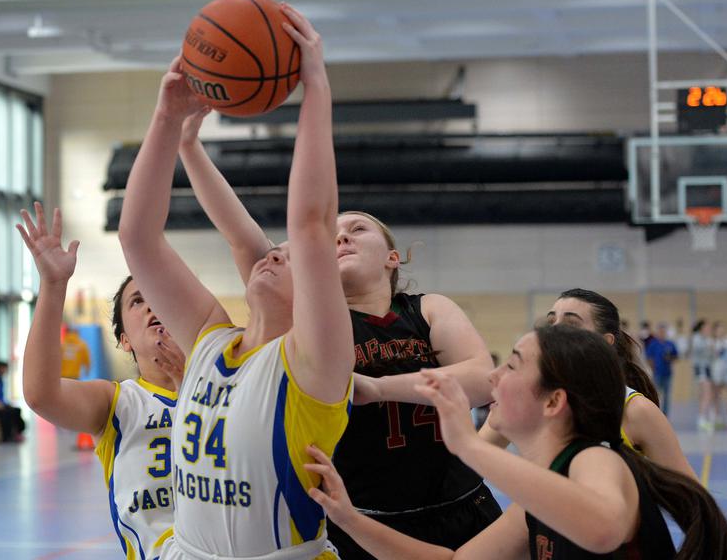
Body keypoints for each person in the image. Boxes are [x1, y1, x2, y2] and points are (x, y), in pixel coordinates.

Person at [179, 51, 498, 560]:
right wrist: (190, 149)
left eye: (357, 230)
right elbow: (243, 238)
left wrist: (373, 388)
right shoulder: (308, 321)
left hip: (458, 505)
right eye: (330, 235)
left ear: (392, 257)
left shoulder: (429, 309)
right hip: (358, 521)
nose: (341, 238)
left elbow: (483, 378)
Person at [119, 4, 354, 558]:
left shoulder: (316, 367)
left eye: (292, 258)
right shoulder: (210, 338)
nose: (274, 255)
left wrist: (316, 86)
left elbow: (313, 224)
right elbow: (138, 239)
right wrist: (167, 120)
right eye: (274, 252)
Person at [305, 325, 727, 560]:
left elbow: (603, 528)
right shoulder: (539, 498)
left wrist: (467, 445)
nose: (494, 376)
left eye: (512, 366)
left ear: (554, 401)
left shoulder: (598, 460)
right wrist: (350, 519)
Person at [17, 203, 184, 558]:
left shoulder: (227, 387)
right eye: (139, 301)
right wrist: (53, 285)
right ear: (125, 340)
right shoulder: (119, 402)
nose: (153, 305)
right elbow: (40, 395)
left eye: (160, 294)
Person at [536, 289, 695, 478]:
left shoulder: (637, 410)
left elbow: (692, 498)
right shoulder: (540, 403)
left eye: (571, 323)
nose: (555, 330)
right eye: (551, 321)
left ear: (604, 342)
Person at [645, 323, 678, 415]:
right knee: (656, 394)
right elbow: (649, 358)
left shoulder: (670, 344)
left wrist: (670, 358)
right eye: (660, 331)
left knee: (667, 396)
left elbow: (675, 356)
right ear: (657, 332)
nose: (662, 333)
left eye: (664, 331)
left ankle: (665, 414)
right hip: (657, 373)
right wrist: (653, 368)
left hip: (667, 373)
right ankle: (655, 413)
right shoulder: (653, 344)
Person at [689, 319, 717, 431]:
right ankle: (701, 419)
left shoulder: (706, 339)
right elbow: (697, 349)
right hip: (701, 369)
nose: (708, 329)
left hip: (707, 368)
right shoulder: (697, 338)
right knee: (706, 394)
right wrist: (710, 346)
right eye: (706, 327)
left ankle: (704, 417)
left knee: (706, 394)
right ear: (701, 328)